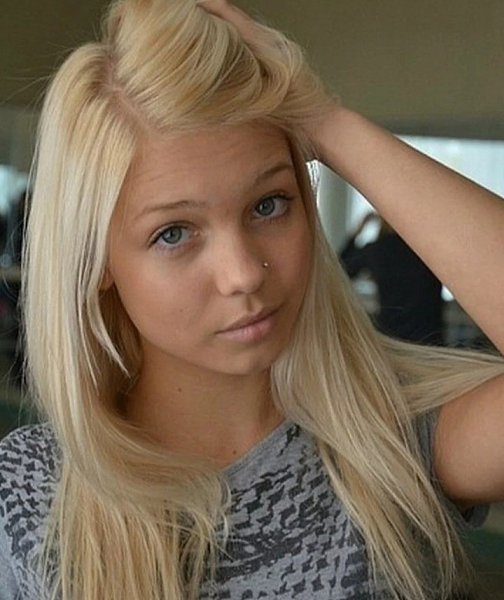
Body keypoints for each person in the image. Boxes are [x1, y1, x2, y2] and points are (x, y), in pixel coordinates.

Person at [0, 1, 503, 598]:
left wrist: (326, 121)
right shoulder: (29, 488)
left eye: (269, 205)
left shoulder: (391, 444)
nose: (243, 274)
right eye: (173, 233)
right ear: (97, 260)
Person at [340, 212, 445, 344]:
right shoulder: (430, 249)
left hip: (392, 334)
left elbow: (342, 270)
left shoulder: (378, 250)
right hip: (429, 335)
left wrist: (357, 232)